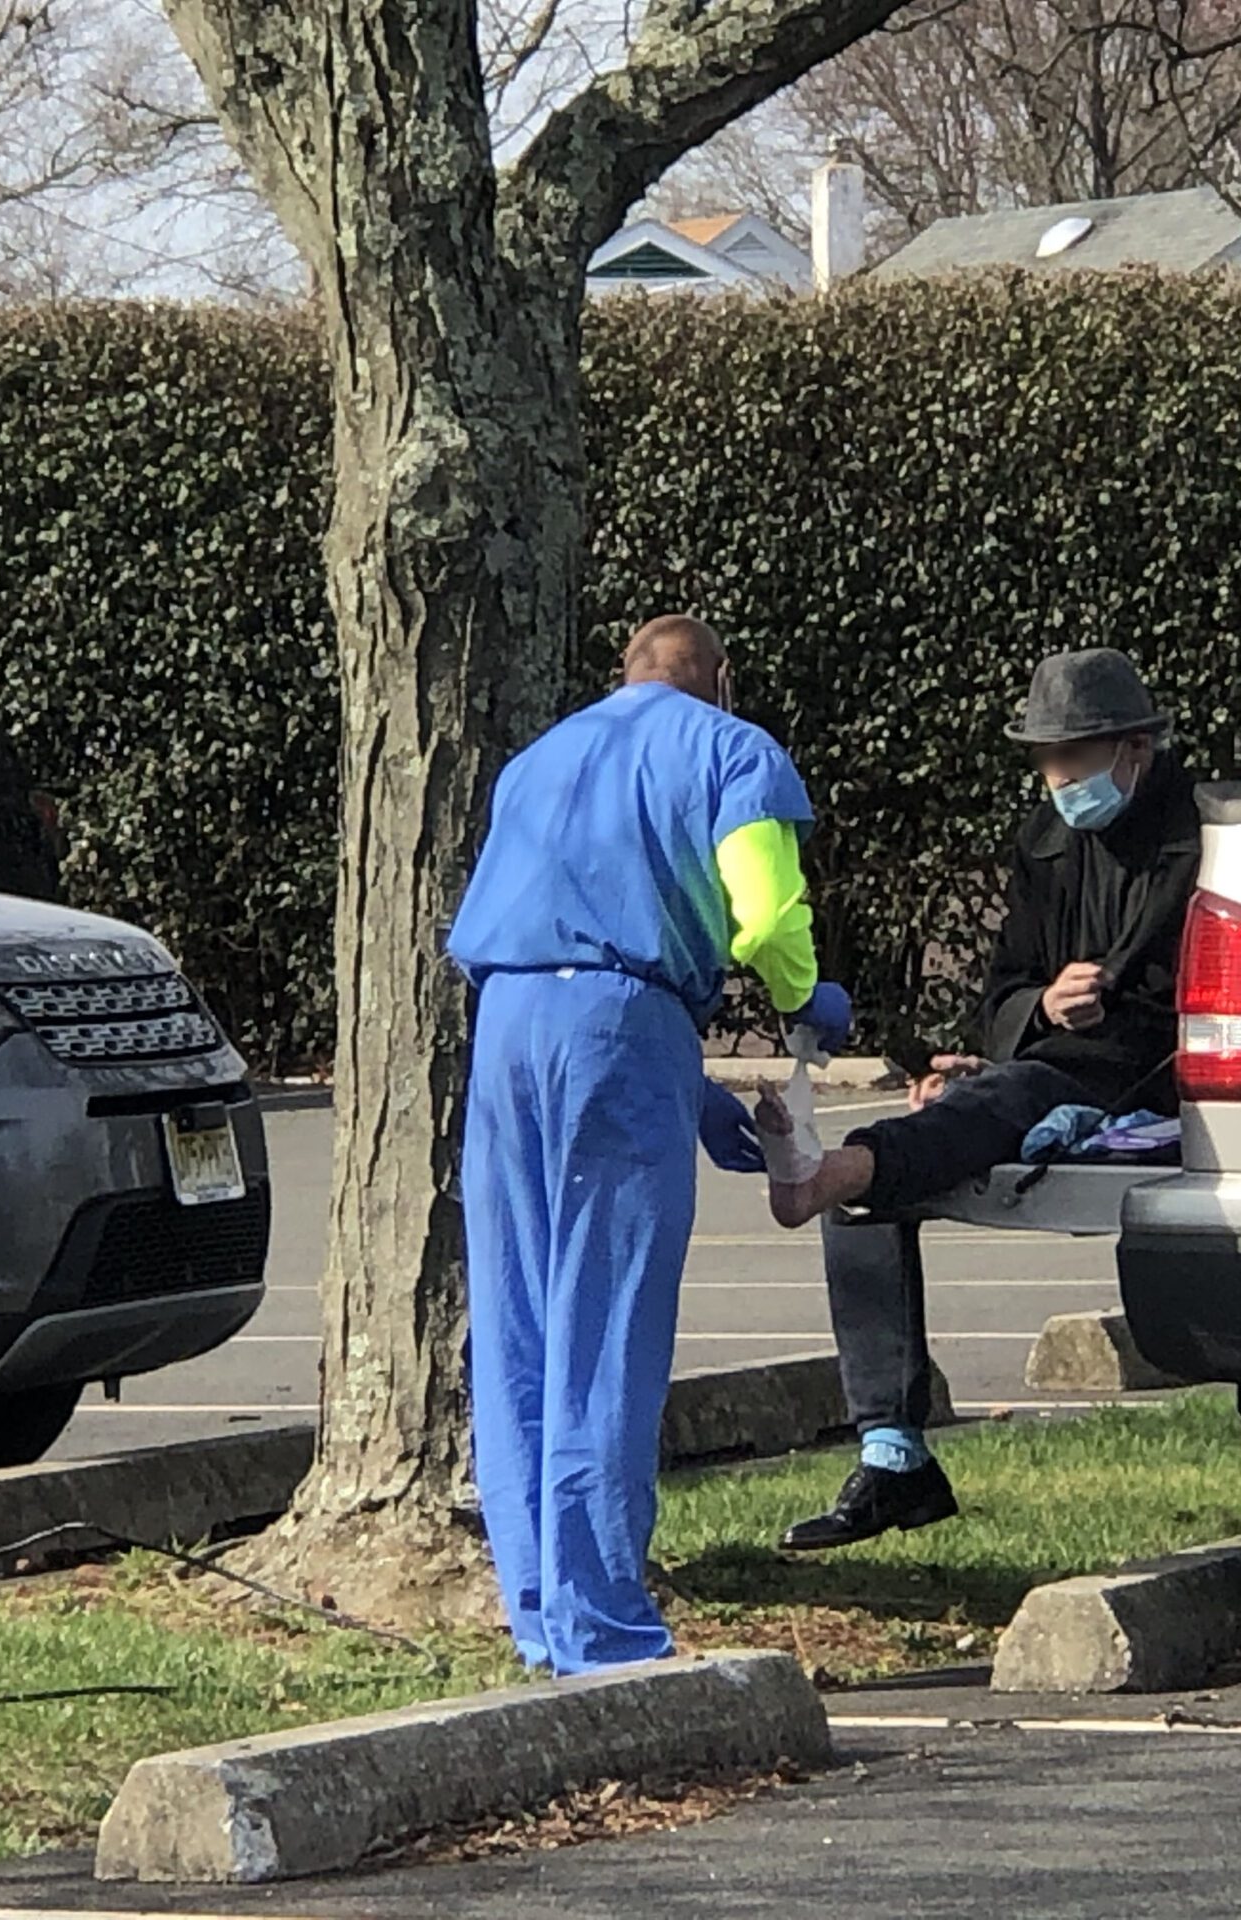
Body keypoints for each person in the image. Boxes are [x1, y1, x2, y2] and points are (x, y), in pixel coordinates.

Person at [448, 614, 851, 1673]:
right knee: (608, 1324)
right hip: (621, 1022)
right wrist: (810, 995)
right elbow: (762, 918)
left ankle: (537, 1611)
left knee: (519, 1325)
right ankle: (608, 1631)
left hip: (504, 1029)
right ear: (718, 679)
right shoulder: (733, 750)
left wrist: (693, 1095)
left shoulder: (538, 760)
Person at [759, 646, 1198, 1550]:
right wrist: (1039, 1006)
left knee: (947, 1132)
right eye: (1045, 761)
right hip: (1048, 1060)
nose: (1055, 780)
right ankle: (892, 1454)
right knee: (891, 1175)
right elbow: (1005, 988)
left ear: (1133, 750)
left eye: (1069, 758)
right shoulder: (1044, 842)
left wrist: (1066, 1022)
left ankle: (840, 1168)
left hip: (1139, 1072)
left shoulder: (1201, 840)